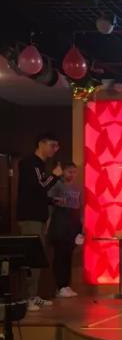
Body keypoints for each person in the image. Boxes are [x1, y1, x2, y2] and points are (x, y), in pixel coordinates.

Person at [17, 133, 62, 311]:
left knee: (37, 258)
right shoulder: (30, 162)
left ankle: (33, 296)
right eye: (52, 145)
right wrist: (54, 176)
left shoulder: (40, 165)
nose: (55, 149)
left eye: (57, 146)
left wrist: (51, 201)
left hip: (39, 217)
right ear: (41, 144)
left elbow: (37, 192)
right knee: (31, 257)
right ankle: (26, 298)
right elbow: (40, 186)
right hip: (30, 217)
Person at [48, 162, 83, 298]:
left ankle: (66, 285)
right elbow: (48, 198)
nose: (72, 175)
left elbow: (80, 206)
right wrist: (56, 201)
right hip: (60, 220)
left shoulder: (77, 188)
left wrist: (81, 227)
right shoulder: (57, 185)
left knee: (68, 255)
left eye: (74, 172)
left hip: (73, 222)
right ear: (63, 172)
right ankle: (60, 286)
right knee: (60, 255)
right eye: (69, 172)